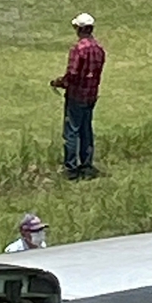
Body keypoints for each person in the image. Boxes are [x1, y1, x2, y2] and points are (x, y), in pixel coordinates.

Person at [50, 12, 106, 180]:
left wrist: (59, 82)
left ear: (79, 29)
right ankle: (87, 165)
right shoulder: (99, 49)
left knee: (71, 131)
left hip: (76, 95)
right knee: (86, 130)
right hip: (91, 95)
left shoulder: (78, 49)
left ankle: (71, 168)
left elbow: (72, 74)